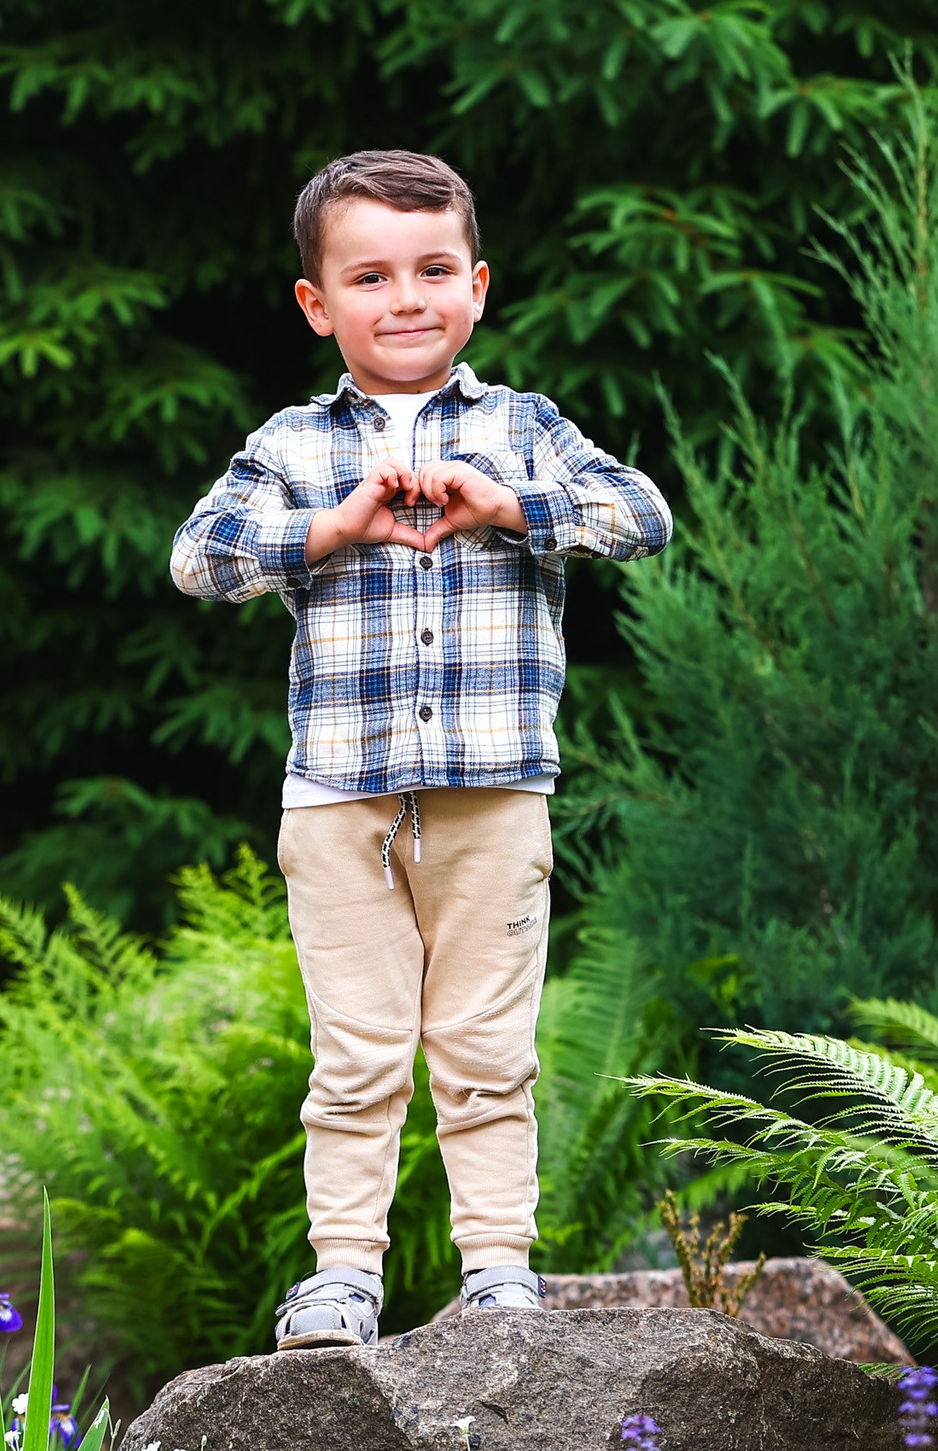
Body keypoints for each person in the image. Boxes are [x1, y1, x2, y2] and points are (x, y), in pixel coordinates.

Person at [169, 150, 672, 1349]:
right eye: (371, 276)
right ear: (318, 304)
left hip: (496, 798)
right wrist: (329, 530)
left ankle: (497, 1266)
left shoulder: (526, 430)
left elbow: (642, 515)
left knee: (488, 1052)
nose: (406, 299)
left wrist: (508, 507)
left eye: (434, 270)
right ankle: (344, 1272)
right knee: (354, 1054)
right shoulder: (290, 447)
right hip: (339, 798)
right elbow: (199, 559)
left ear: (478, 286)